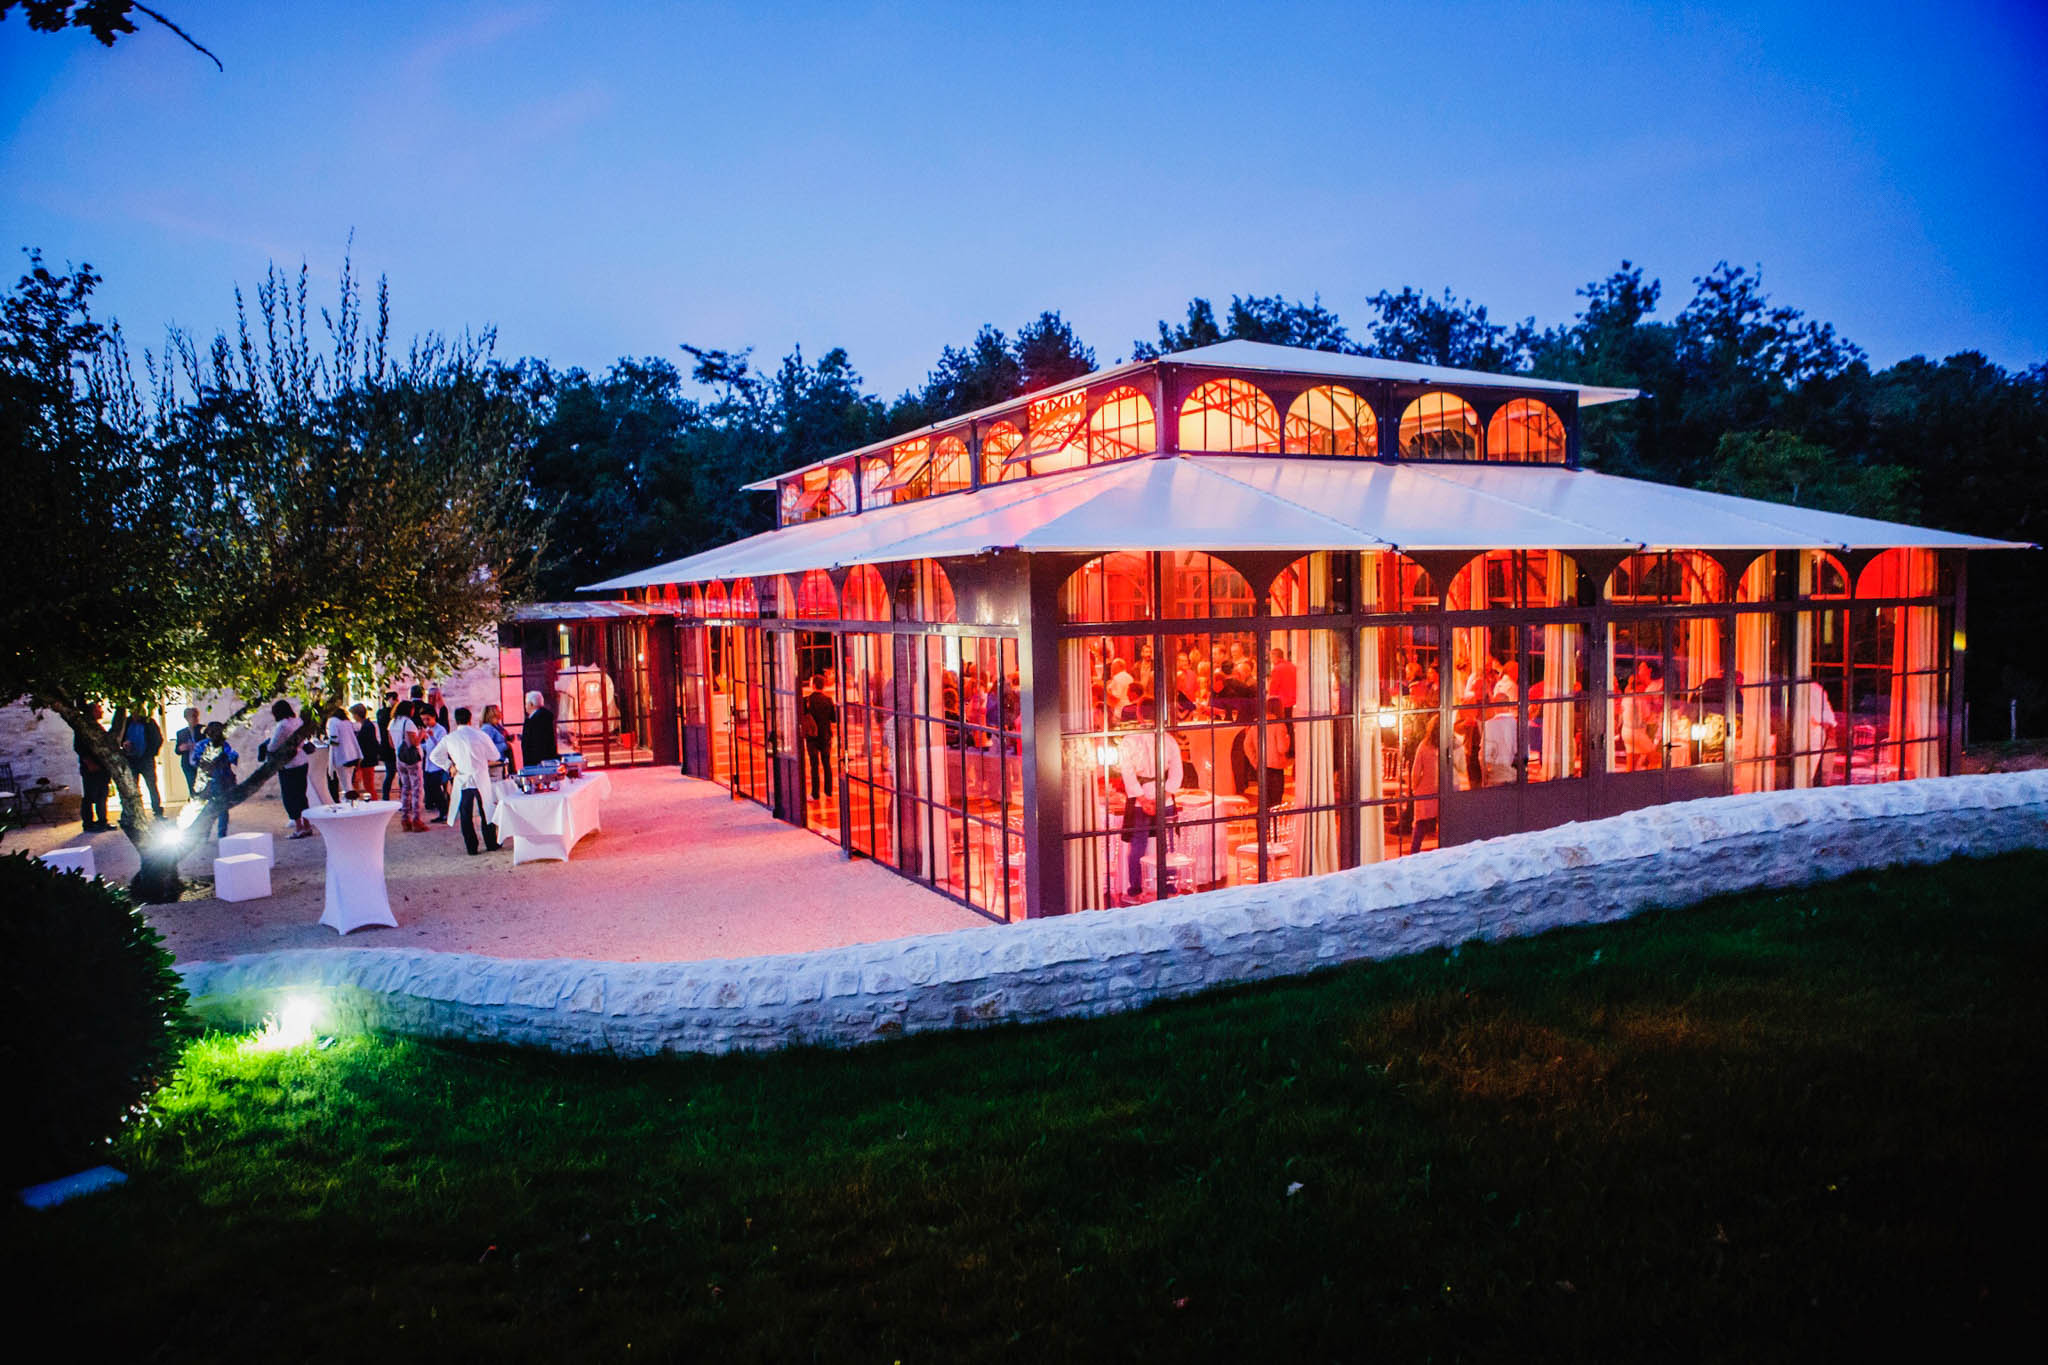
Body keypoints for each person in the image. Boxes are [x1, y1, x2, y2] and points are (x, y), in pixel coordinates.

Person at [1117, 694, 1182, 901]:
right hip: (1165, 798)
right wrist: (1162, 797)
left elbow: (1127, 773)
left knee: (1138, 845)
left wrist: (1143, 800)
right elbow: (1177, 773)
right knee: (1167, 844)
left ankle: (1135, 889)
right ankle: (1169, 886)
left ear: (1138, 714)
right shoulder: (1168, 739)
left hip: (1140, 800)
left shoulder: (1129, 740)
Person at [430, 707, 502, 855]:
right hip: (480, 776)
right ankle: (491, 843)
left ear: (455, 721)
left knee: (465, 813)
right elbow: (495, 755)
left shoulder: (450, 738)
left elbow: (434, 756)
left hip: (462, 778)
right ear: (470, 719)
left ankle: (471, 847)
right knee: (486, 810)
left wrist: (449, 766)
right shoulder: (481, 735)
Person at [269, 699, 315, 838]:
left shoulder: (282, 725)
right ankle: (307, 824)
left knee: (290, 796)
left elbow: (273, 746)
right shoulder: (298, 721)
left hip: (289, 763)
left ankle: (299, 827)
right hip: (302, 760)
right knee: (301, 794)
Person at [192, 722, 237, 839]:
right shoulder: (224, 745)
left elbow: (194, 761)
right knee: (221, 809)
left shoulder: (200, 745)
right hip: (221, 780)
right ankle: (221, 835)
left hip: (208, 781)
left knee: (208, 809)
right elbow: (233, 757)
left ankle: (205, 835)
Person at [118, 704, 165, 817]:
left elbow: (158, 739)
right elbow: (120, 739)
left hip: (146, 759)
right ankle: (133, 812)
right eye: (133, 712)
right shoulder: (126, 723)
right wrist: (124, 745)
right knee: (131, 787)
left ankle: (157, 811)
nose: (135, 715)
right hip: (131, 760)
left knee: (152, 786)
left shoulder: (149, 722)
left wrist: (150, 753)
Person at [389, 700, 428, 832]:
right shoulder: (408, 723)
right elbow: (414, 742)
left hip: (399, 758)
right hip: (412, 759)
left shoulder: (392, 723)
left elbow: (391, 743)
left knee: (405, 788)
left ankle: (405, 818)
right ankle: (417, 819)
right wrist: (421, 734)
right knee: (417, 789)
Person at [75, 700, 111, 832]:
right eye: (98, 709)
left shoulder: (96, 727)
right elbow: (79, 747)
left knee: (102, 795)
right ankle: (88, 823)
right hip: (91, 768)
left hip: (102, 768)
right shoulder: (83, 728)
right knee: (90, 796)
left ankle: (102, 821)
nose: (101, 711)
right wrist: (89, 763)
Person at [801, 673, 838, 798]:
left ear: (813, 685)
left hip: (812, 737)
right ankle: (828, 791)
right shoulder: (828, 700)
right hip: (825, 736)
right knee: (826, 764)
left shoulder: (806, 701)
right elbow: (833, 719)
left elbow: (802, 718)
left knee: (814, 765)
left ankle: (815, 793)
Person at [326, 703, 364, 801]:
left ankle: (351, 801)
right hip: (352, 755)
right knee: (348, 781)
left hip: (341, 756)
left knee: (345, 783)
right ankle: (351, 800)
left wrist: (327, 742)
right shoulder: (347, 722)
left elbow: (334, 739)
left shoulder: (333, 721)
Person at [420, 710, 451, 823]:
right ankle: (441, 811)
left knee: (437, 789)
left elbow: (442, 746)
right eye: (423, 720)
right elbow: (428, 746)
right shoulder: (428, 729)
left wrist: (432, 737)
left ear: (434, 717)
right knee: (430, 789)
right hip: (429, 765)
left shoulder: (441, 730)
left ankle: (444, 812)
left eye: (428, 719)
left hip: (438, 765)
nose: (426, 722)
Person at [348, 703, 381, 796]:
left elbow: (366, 744)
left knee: (368, 785)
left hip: (366, 759)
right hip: (367, 759)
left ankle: (374, 802)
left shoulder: (366, 727)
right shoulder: (367, 725)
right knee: (365, 784)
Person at [173, 706, 204, 800]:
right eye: (192, 716)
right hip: (188, 764)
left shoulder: (203, 730)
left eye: (196, 716)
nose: (195, 718)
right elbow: (177, 751)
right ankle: (195, 803)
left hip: (202, 763)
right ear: (186, 718)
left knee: (203, 787)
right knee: (192, 786)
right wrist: (181, 748)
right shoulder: (181, 733)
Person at [522, 689, 558, 765]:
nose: (525, 707)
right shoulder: (547, 716)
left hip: (536, 761)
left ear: (531, 704)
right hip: (548, 759)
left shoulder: (533, 720)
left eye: (526, 704)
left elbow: (533, 742)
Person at [479, 704, 515, 775]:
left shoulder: (497, 726)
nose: (500, 712)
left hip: (504, 761)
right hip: (497, 763)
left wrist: (509, 738)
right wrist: (505, 745)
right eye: (498, 710)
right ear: (493, 713)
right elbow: (487, 747)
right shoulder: (487, 728)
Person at [377, 690, 400, 798]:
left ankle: (387, 796)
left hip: (387, 747)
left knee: (392, 773)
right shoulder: (388, 714)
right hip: (390, 747)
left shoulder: (381, 713)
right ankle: (386, 796)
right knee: (391, 773)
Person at [1269, 647, 1298, 717]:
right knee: (1289, 719)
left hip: (1280, 702)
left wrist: (1271, 700)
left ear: (1275, 657)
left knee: (1280, 721)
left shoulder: (1277, 669)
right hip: (1292, 700)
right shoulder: (1292, 666)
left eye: (1271, 658)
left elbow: (1274, 687)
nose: (1271, 660)